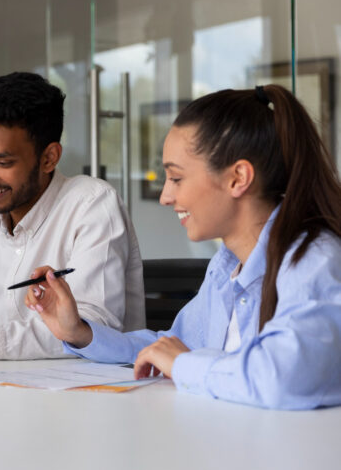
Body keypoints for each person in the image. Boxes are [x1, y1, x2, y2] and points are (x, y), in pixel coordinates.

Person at [26, 85, 341, 409]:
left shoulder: (315, 262)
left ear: (238, 178)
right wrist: (79, 333)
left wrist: (182, 365)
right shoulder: (227, 266)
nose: (165, 197)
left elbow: (282, 377)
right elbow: (171, 347)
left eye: (176, 178)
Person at [0, 72, 145, 360]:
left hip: (90, 394)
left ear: (49, 157)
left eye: (2, 162)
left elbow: (92, 326)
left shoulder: (92, 204)